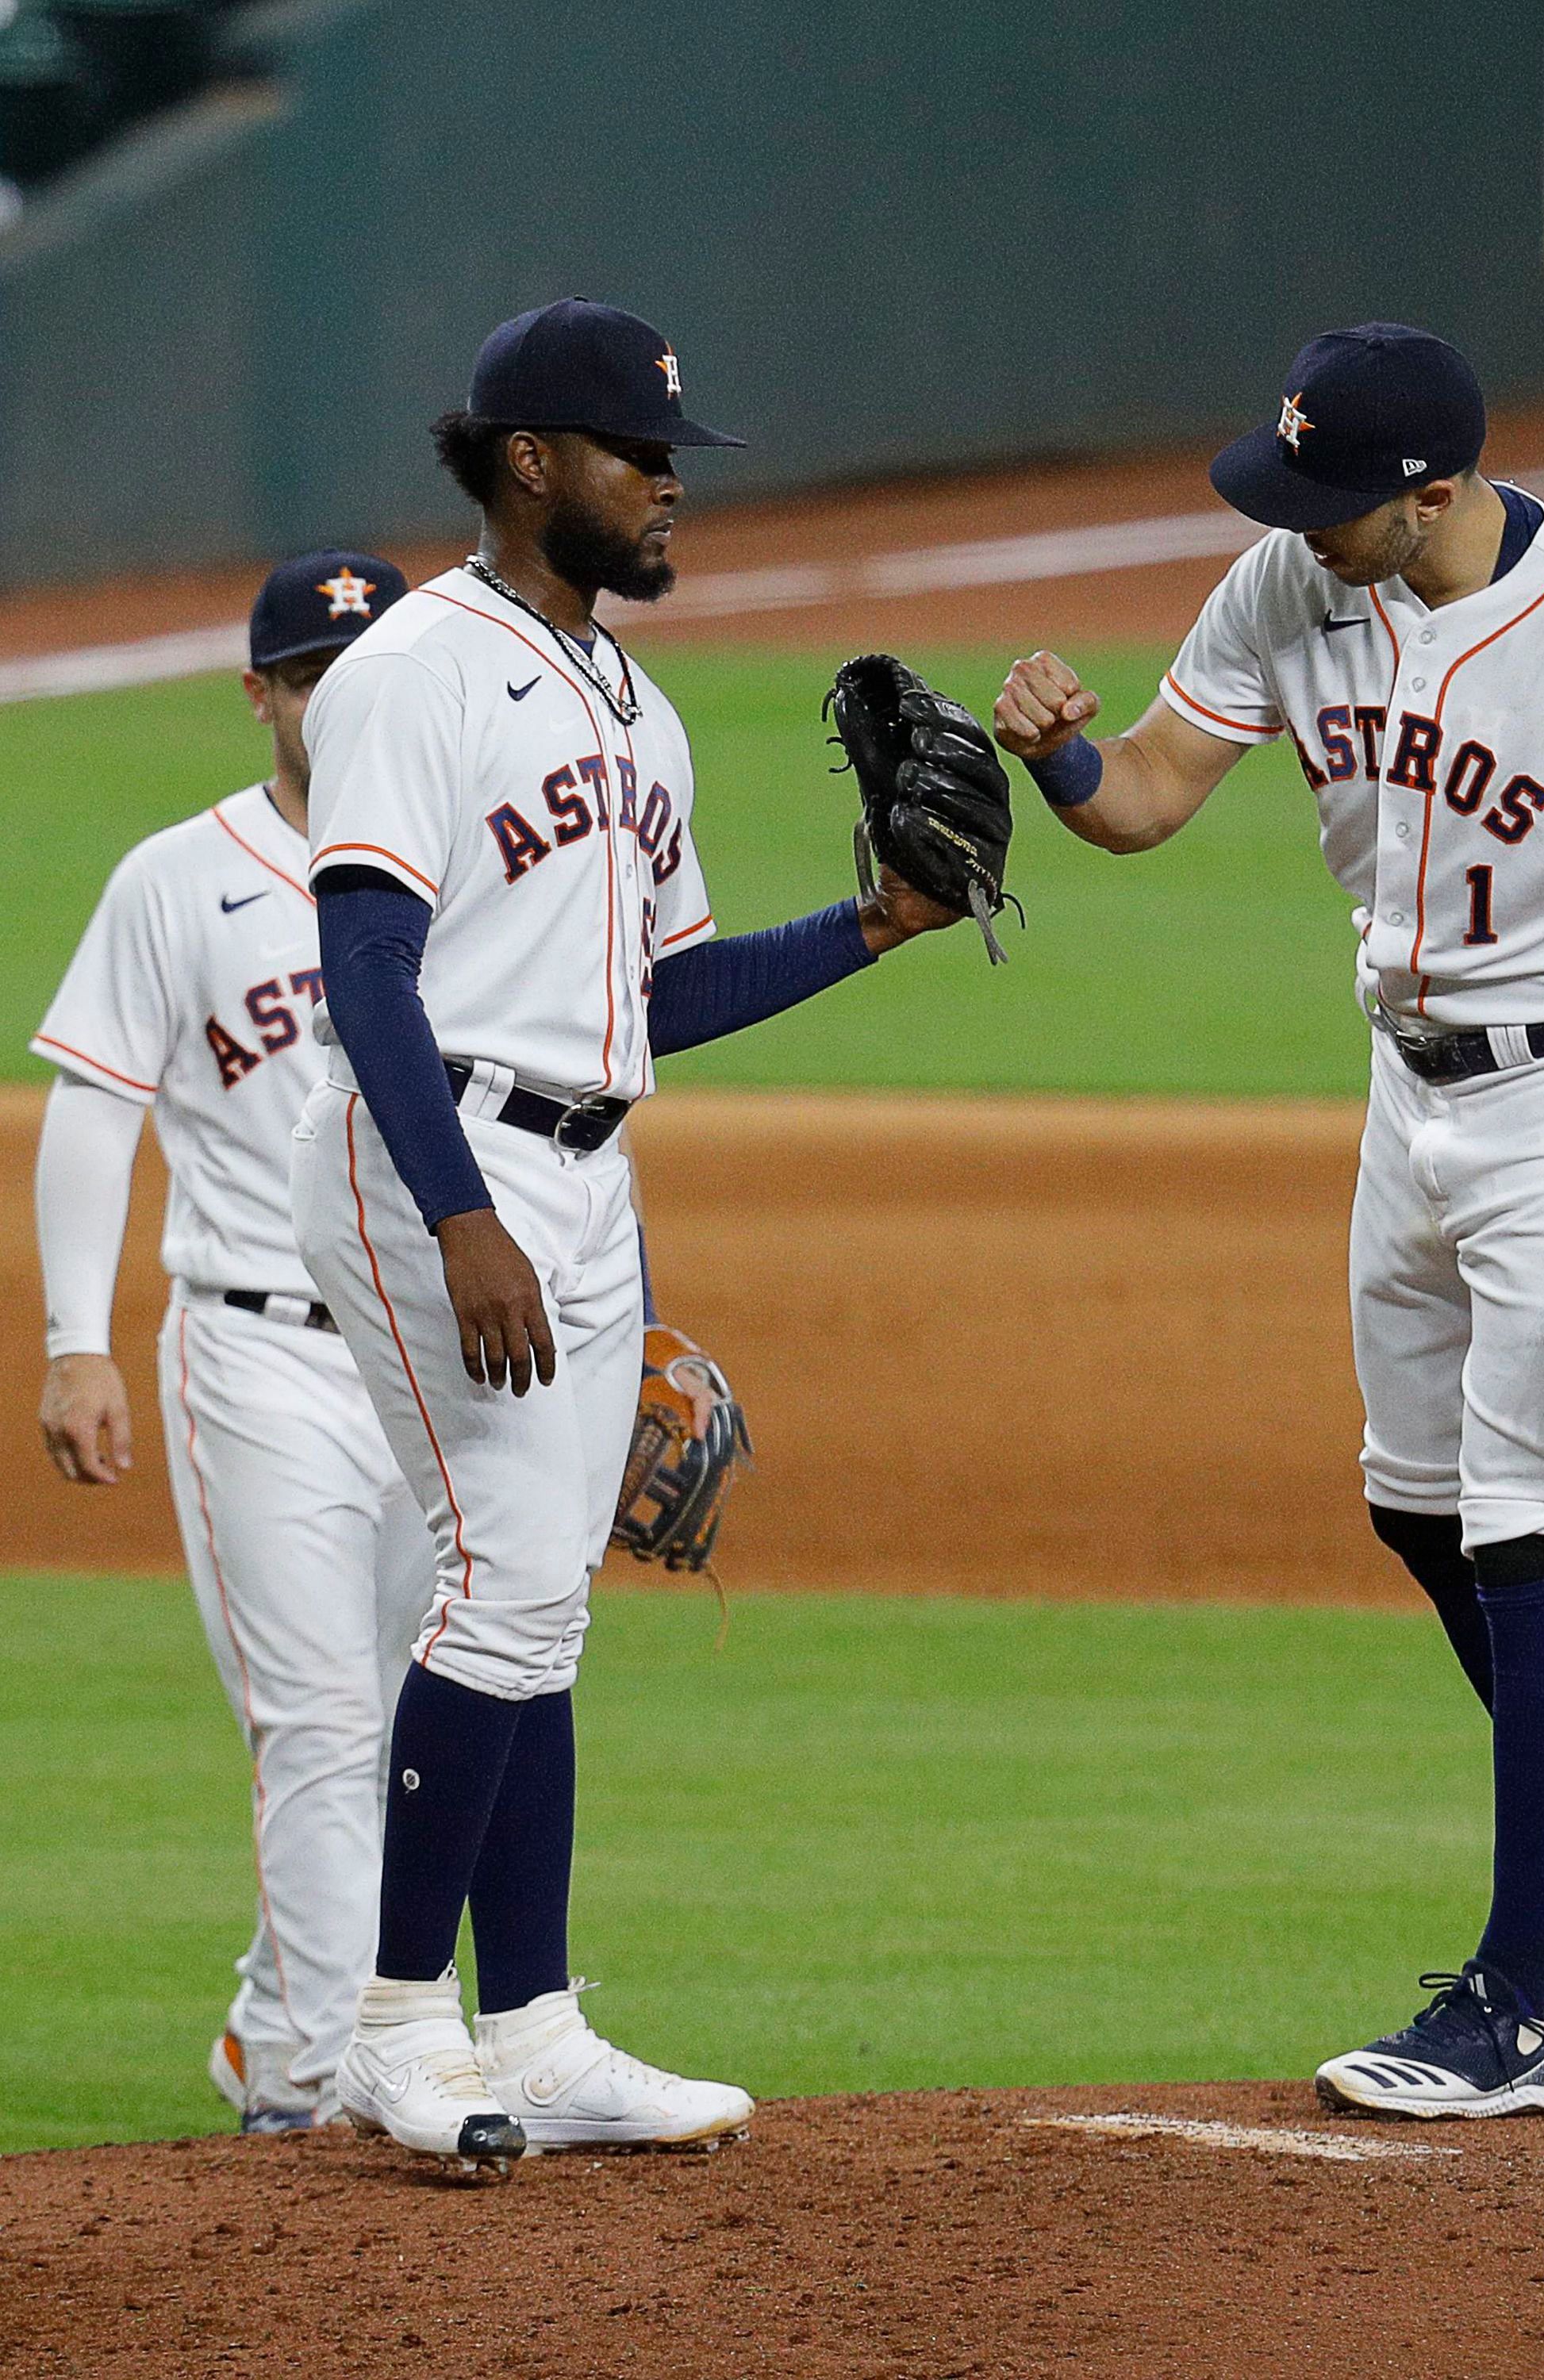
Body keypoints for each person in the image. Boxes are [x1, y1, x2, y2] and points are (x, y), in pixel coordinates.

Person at [993, 323, 1544, 2120]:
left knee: (1526, 1532)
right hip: (1408, 1092)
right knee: (1411, 1504)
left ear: (1433, 494)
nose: (1296, 529)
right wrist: (1061, 763)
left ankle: (1521, 2002)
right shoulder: (1285, 589)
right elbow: (1147, 797)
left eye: (1331, 501)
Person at [290, 298, 965, 2173]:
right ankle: (395, 2029)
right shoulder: (418, 671)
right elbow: (366, 963)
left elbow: (661, 994)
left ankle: (541, 2028)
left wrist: (872, 928)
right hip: (439, 1164)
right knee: (504, 1578)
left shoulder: (634, 703)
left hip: (586, 1181)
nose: (670, 488)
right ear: (529, 464)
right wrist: (463, 1215)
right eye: (635, 457)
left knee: (547, 1608)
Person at [33, 551, 435, 2132]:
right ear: (261, 692)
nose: (338, 700)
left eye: (368, 670)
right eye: (310, 674)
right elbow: (92, 1106)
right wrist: (79, 1338)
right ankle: (316, 2081)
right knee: (322, 1718)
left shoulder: (461, 868)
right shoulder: (172, 878)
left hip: (435, 1357)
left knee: (421, 1714)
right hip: (254, 1352)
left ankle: (279, 2027)